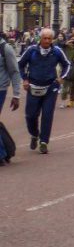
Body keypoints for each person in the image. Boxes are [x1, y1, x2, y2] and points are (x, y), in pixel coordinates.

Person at [17, 28, 72, 154]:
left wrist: (61, 78)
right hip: (33, 86)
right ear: (40, 39)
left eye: (49, 38)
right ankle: (34, 134)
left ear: (52, 39)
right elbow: (20, 64)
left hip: (50, 88)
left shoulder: (57, 51)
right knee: (30, 115)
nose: (47, 41)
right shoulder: (31, 50)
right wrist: (24, 79)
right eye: (44, 38)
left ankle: (44, 142)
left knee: (47, 115)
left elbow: (67, 64)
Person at [0, 32, 22, 165]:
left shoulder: (5, 49)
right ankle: (6, 151)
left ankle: (1, 155)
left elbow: (14, 72)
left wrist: (16, 95)